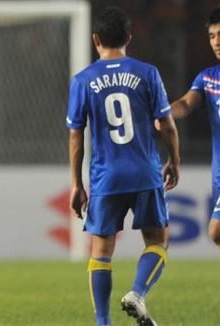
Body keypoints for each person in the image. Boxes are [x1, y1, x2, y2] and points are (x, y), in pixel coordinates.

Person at [66, 7, 180, 326]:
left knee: (101, 250)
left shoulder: (82, 81)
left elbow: (76, 137)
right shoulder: (147, 73)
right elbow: (168, 125)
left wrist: (76, 183)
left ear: (95, 39)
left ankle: (103, 322)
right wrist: (174, 161)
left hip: (106, 177)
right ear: (129, 38)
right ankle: (138, 293)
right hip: (145, 171)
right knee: (158, 241)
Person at [169, 6, 220, 251]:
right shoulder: (208, 78)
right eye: (212, 36)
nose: (216, 42)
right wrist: (165, 112)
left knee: (215, 230)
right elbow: (186, 104)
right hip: (218, 172)